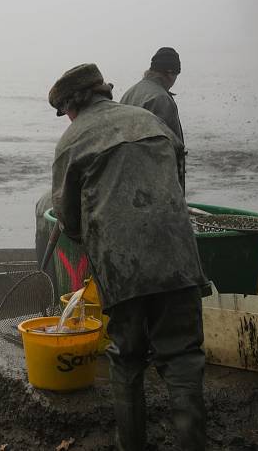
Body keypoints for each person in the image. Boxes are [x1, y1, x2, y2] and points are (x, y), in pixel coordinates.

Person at [48, 63, 210, 450]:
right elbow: (178, 185)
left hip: (124, 271)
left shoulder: (71, 142)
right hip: (179, 261)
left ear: (72, 105)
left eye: (65, 111)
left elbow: (70, 222)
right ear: (105, 91)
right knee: (184, 358)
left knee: (127, 357)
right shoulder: (153, 123)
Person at [120, 47, 186, 192]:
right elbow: (168, 151)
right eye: (176, 74)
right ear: (170, 73)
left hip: (128, 181)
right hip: (153, 187)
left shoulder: (129, 93)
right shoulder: (161, 99)